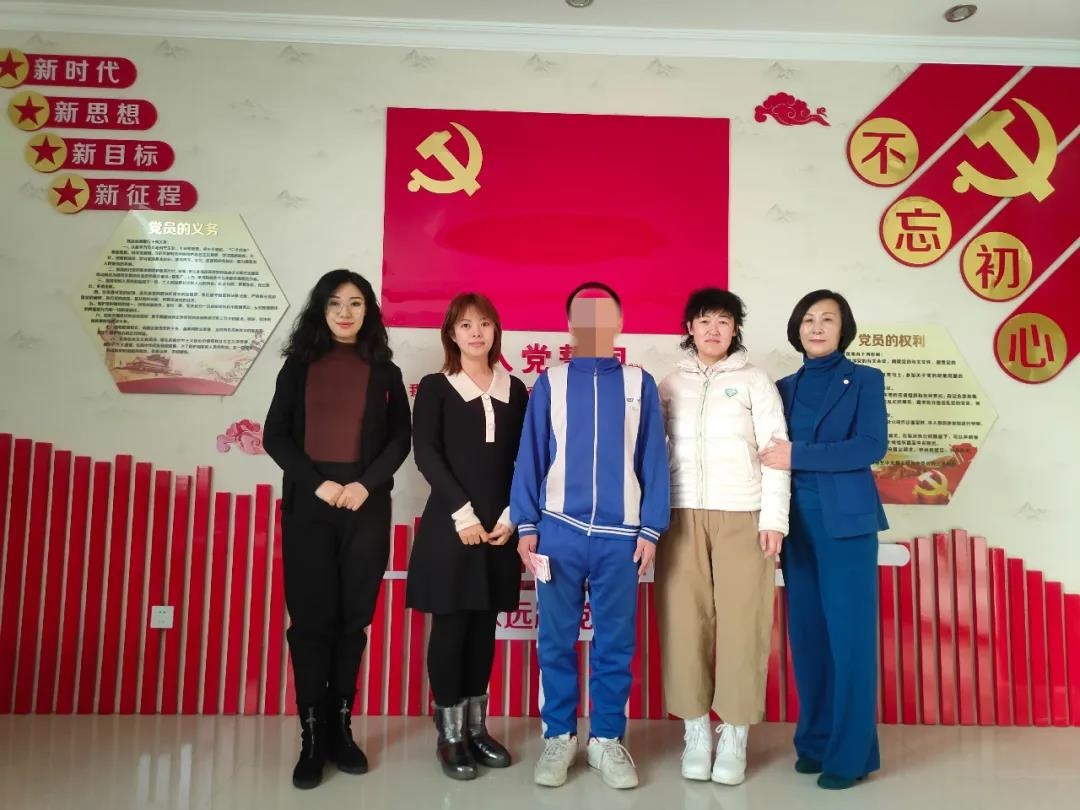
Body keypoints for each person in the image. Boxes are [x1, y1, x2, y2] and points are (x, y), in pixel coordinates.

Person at [511, 281, 670, 790]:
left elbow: (653, 457)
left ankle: (605, 739)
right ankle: (559, 736)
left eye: (605, 316)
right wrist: (527, 523)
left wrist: (651, 528)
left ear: (619, 323)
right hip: (558, 531)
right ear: (570, 326)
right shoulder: (551, 382)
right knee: (555, 640)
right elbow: (531, 453)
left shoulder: (639, 383)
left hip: (620, 537)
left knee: (615, 644)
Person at [263, 269, 411, 790]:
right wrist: (318, 484)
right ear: (320, 311)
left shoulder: (385, 371)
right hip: (310, 505)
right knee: (310, 622)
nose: (345, 313)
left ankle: (341, 729)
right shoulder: (298, 366)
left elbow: (400, 440)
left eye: (355, 303)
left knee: (353, 621)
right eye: (334, 303)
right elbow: (275, 436)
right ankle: (311, 736)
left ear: (368, 311)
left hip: (365, 506)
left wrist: (366, 485)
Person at [655, 288, 790, 785]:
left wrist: (774, 519)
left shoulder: (755, 381)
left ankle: (734, 734)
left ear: (736, 330)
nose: (714, 329)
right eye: (704, 320)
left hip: (743, 515)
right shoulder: (670, 384)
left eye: (724, 321)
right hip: (680, 515)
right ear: (689, 328)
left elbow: (776, 451)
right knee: (683, 623)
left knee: (742, 624)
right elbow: (650, 453)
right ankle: (695, 732)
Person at [760, 289, 888, 790]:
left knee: (850, 640)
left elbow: (870, 446)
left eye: (827, 319)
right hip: (796, 526)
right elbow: (769, 454)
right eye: (808, 319)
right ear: (797, 329)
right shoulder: (782, 388)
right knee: (808, 638)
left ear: (843, 328)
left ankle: (851, 756)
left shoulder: (865, 380)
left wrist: (799, 455)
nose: (816, 327)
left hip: (847, 526)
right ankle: (814, 743)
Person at [407, 293, 528, 780]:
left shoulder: (515, 389)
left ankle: (477, 729)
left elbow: (526, 459)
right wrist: (463, 514)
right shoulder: (436, 387)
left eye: (484, 324)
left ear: (496, 330)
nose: (476, 332)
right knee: (452, 626)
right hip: (451, 525)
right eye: (465, 325)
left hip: (499, 528)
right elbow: (426, 455)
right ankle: (450, 735)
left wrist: (511, 515)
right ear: (451, 334)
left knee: (483, 628)